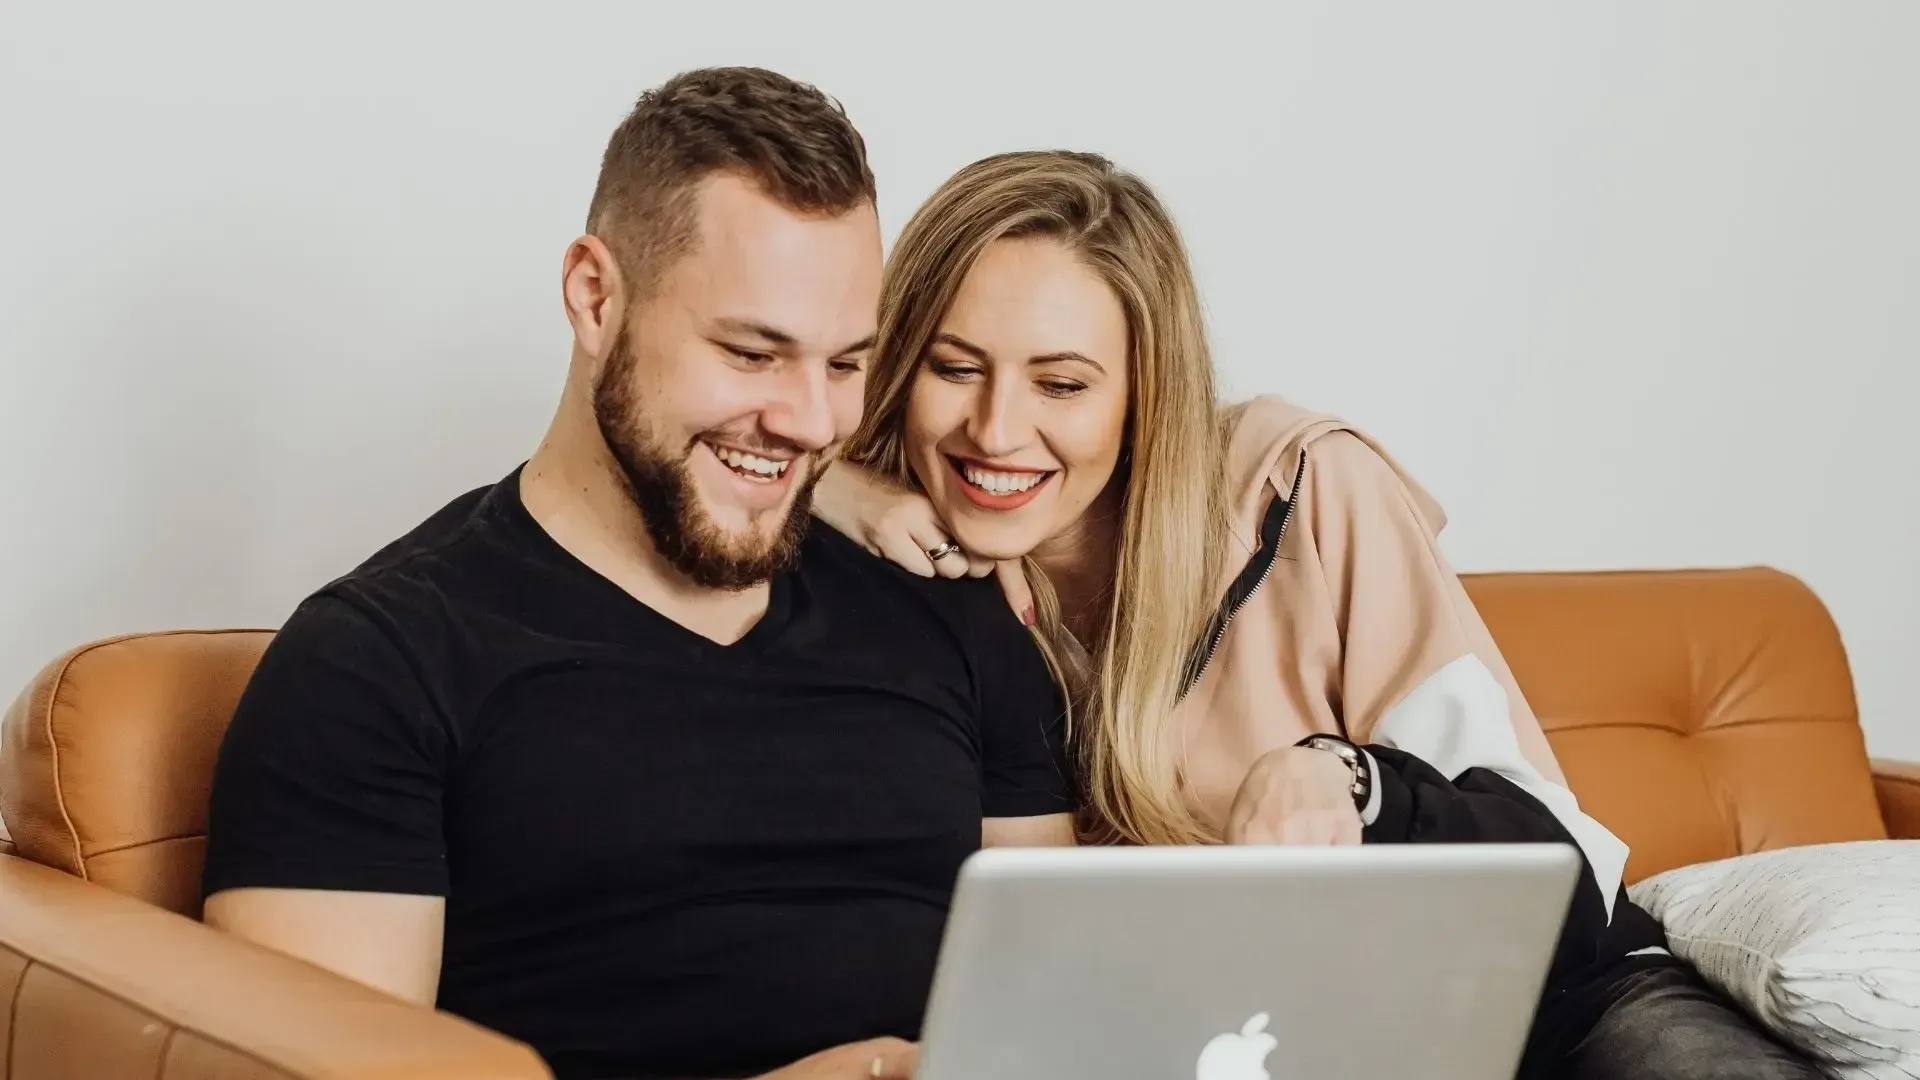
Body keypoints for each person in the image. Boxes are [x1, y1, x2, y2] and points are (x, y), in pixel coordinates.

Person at [813, 148, 1819, 1080]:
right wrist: (824, 482)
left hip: (1552, 1012)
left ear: (1142, 393)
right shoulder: (886, 575)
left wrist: (1350, 778)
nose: (996, 428)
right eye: (954, 368)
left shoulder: (1303, 489)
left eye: (1062, 383)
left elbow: (1559, 866)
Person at [198, 68, 1076, 1080]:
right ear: (595, 297)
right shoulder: (374, 667)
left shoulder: (949, 616)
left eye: (844, 365)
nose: (811, 422)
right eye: (752, 353)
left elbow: (1055, 1009)